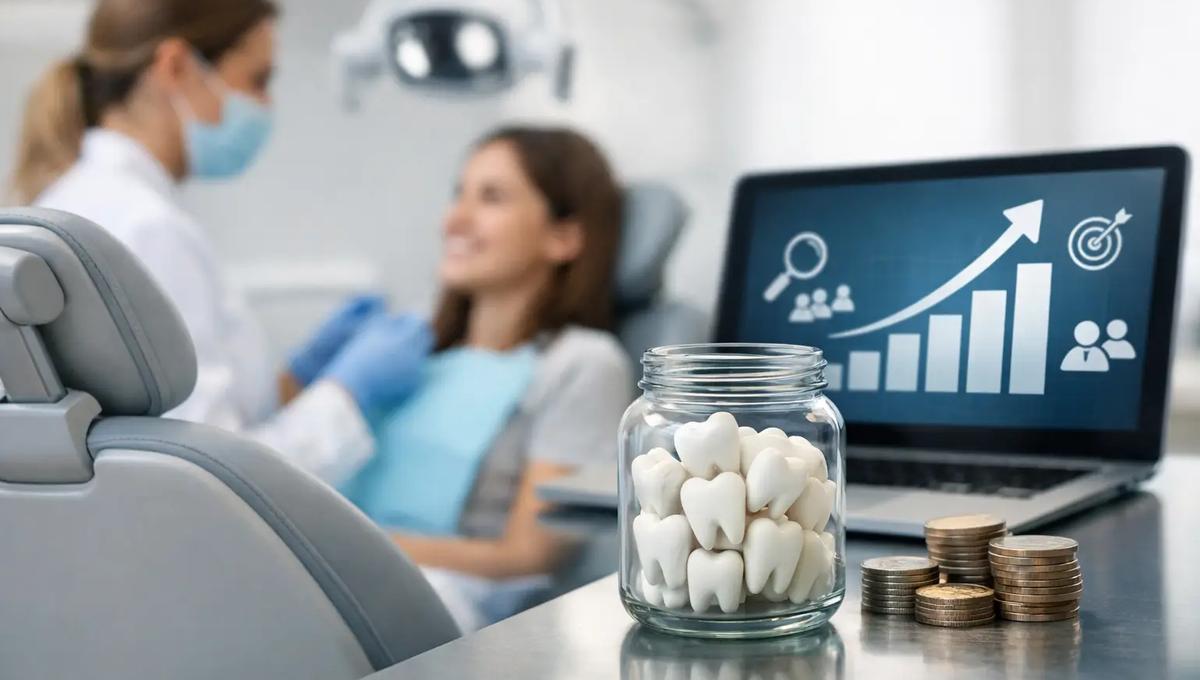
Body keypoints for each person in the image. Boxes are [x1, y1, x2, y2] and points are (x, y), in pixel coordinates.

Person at [8, 0, 425, 482]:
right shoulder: (149, 229)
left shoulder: (75, 199)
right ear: (175, 67)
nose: (266, 106)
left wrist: (293, 382)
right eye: (258, 80)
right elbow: (214, 477)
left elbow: (165, 422)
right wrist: (347, 396)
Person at [337, 126, 632, 630]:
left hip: (443, 596)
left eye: (491, 198)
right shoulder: (411, 351)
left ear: (563, 237)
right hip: (343, 564)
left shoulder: (581, 362)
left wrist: (346, 546)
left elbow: (528, 557)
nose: (454, 220)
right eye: (460, 194)